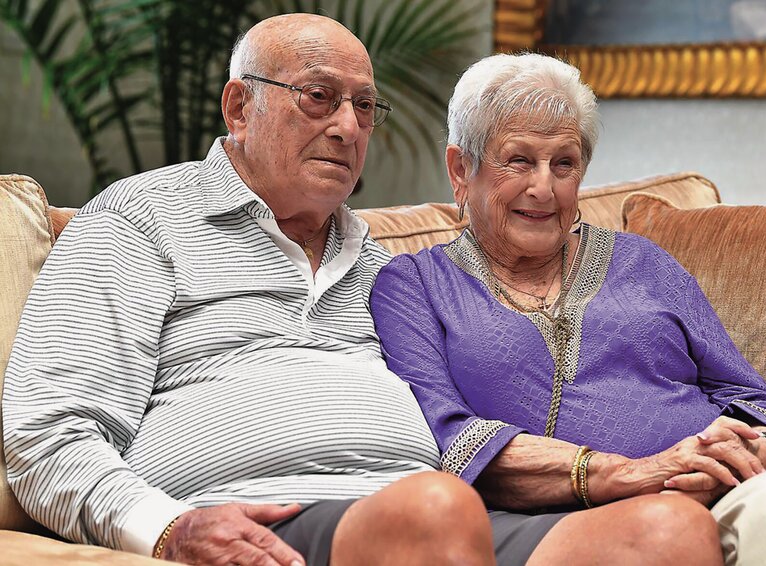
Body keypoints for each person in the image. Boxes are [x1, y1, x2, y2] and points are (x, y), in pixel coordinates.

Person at [3, 14, 502, 566]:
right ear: (240, 108)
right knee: (435, 513)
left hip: (444, 515)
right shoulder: (140, 221)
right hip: (266, 526)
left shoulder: (383, 268)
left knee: (617, 531)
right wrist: (168, 528)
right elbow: (49, 435)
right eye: (319, 96)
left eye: (364, 106)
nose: (347, 127)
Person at [370, 52, 766, 565]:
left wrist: (754, 447)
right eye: (518, 160)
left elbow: (749, 395)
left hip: (718, 494)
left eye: (564, 164)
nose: (543, 188)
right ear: (461, 169)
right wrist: (635, 473)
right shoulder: (413, 286)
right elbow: (449, 437)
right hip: (571, 524)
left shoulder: (643, 263)